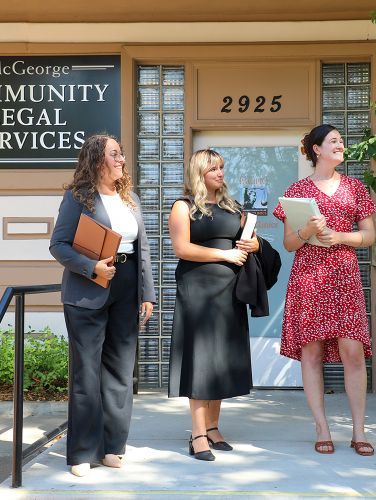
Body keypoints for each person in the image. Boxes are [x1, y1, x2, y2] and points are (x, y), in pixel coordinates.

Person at [50, 133, 156, 477]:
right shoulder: (78, 197)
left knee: (121, 373)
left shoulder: (131, 200)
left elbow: (143, 252)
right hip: (88, 288)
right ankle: (82, 452)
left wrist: (147, 293)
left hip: (125, 288)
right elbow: (59, 245)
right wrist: (90, 266)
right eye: (115, 154)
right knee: (87, 373)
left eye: (121, 154)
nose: (122, 159)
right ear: (97, 160)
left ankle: (113, 448)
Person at [272, 124, 376, 456]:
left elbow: (369, 236)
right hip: (309, 278)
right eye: (334, 141)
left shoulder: (355, 188)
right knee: (312, 353)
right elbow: (289, 244)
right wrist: (307, 229)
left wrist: (341, 237)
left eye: (341, 141)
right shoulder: (298, 191)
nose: (340, 145)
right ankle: (322, 428)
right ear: (316, 149)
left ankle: (359, 431)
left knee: (353, 352)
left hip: (344, 278)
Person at [168, 148, 259, 461]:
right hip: (197, 291)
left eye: (221, 168)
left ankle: (214, 427)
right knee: (200, 361)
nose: (220, 173)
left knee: (220, 360)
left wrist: (252, 243)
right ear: (199, 174)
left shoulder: (231, 206)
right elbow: (182, 248)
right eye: (214, 169)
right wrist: (225, 255)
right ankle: (197, 435)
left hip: (229, 291)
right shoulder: (183, 206)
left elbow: (252, 242)